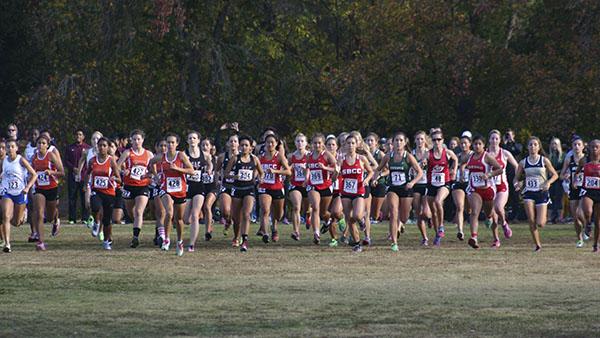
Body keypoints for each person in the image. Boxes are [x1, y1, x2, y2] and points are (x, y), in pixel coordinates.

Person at [375, 132, 422, 251]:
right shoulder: (388, 156)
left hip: (406, 188)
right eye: (396, 140)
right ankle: (394, 242)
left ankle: (401, 225)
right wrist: (376, 178)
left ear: (405, 142)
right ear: (393, 142)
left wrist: (412, 183)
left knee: (404, 217)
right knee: (393, 212)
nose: (398, 143)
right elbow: (378, 169)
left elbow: (420, 172)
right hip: (393, 188)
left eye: (401, 140)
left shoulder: (408, 156)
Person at [149, 133, 195, 256]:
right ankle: (167, 239)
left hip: (180, 190)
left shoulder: (181, 155)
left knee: (179, 219)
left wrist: (178, 169)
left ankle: (179, 241)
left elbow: (192, 171)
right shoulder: (161, 157)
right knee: (169, 212)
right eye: (168, 143)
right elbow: (151, 162)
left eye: (172, 142)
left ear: (177, 144)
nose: (169, 145)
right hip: (166, 189)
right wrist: (156, 176)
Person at [513, 137, 559, 251]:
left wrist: (548, 182)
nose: (532, 147)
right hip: (528, 192)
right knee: (531, 219)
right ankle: (537, 245)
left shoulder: (544, 161)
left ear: (539, 147)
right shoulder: (523, 162)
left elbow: (555, 175)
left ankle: (544, 217)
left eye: (535, 144)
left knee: (540, 223)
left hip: (541, 192)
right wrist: (517, 184)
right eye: (530, 145)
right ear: (527, 147)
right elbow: (516, 178)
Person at [224, 135, 264, 252]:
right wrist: (234, 176)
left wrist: (260, 180)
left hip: (249, 189)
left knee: (246, 214)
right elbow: (226, 174)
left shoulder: (255, 159)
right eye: (242, 145)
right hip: (237, 189)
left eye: (246, 145)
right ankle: (236, 236)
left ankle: (245, 240)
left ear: (251, 147)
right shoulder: (235, 159)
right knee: (236, 218)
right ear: (239, 146)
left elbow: (261, 173)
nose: (244, 147)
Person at [463, 135, 503, 249]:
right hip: (474, 189)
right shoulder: (468, 157)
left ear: (484, 145)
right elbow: (461, 163)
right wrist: (461, 172)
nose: (477, 146)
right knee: (475, 212)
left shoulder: (488, 157)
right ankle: (474, 237)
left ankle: (490, 219)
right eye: (475, 144)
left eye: (479, 144)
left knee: (489, 213)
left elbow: (499, 169)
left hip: (488, 190)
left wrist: (489, 174)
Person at [83, 137, 122, 250]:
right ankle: (96, 222)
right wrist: (85, 185)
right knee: (95, 207)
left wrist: (115, 178)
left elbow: (119, 179)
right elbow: (87, 173)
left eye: (104, 145)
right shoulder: (92, 161)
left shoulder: (111, 161)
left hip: (109, 192)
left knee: (107, 219)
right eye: (100, 145)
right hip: (96, 190)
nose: (102, 148)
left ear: (108, 147)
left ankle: (106, 240)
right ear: (97, 147)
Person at [117, 129, 153, 248]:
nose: (137, 141)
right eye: (134, 139)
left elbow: (155, 171)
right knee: (131, 212)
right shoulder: (127, 153)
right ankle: (136, 226)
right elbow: (116, 167)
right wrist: (123, 171)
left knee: (138, 211)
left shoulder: (148, 154)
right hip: (129, 186)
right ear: (131, 140)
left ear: (143, 140)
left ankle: (135, 237)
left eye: (139, 139)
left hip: (143, 186)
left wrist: (148, 175)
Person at [0, 139, 37, 252]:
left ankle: (23, 214)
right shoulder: (4, 161)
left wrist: (27, 187)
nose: (10, 149)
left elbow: (34, 174)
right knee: (5, 216)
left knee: (16, 222)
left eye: (12, 146)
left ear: (16, 148)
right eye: (8, 147)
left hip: (20, 193)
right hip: (7, 192)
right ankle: (7, 244)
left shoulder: (21, 160)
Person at [339, 134, 373, 252]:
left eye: (353, 143)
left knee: (357, 215)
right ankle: (357, 243)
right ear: (344, 145)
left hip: (358, 190)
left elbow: (371, 172)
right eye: (348, 143)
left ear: (357, 145)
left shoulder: (361, 158)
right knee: (350, 219)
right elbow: (336, 175)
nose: (350, 145)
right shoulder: (341, 159)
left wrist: (366, 180)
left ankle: (362, 220)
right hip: (346, 191)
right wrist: (335, 173)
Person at [30, 134, 65, 250]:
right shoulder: (34, 157)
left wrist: (51, 172)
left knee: (49, 217)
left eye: (43, 143)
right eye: (39, 143)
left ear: (47, 145)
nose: (41, 145)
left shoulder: (51, 156)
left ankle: (55, 220)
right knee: (39, 213)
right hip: (39, 189)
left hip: (52, 188)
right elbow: (31, 172)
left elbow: (62, 172)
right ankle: (40, 242)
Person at [426, 129, 458, 246]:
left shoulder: (447, 153)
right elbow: (422, 162)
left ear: (442, 140)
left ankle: (441, 226)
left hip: (444, 183)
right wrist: (423, 164)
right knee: (433, 212)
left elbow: (455, 159)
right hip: (431, 184)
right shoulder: (428, 153)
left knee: (438, 201)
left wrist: (453, 170)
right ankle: (437, 234)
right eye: (434, 140)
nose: (437, 142)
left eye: (439, 139)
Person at [257, 134, 291, 243]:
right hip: (264, 187)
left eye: (272, 142)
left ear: (276, 144)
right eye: (268, 142)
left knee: (278, 215)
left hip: (277, 187)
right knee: (265, 209)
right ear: (265, 144)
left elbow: (288, 171)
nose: (270, 144)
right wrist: (258, 178)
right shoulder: (260, 157)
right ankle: (265, 233)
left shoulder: (279, 156)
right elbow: (255, 171)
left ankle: (274, 229)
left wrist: (275, 171)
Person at [304, 133, 337, 245]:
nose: (317, 145)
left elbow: (335, 168)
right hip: (313, 185)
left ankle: (328, 220)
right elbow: (308, 168)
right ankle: (316, 233)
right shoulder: (309, 156)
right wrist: (306, 178)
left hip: (326, 186)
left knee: (324, 212)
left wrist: (325, 167)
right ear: (311, 144)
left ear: (323, 144)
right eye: (315, 143)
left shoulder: (327, 155)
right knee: (315, 207)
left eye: (319, 143)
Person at [487, 130, 519, 240]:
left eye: (496, 138)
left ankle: (504, 224)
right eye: (492, 138)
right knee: (493, 217)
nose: (494, 141)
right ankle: (496, 239)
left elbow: (517, 166)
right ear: (489, 140)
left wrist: (517, 179)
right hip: (489, 187)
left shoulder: (504, 153)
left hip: (502, 186)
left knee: (498, 207)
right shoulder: (485, 154)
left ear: (500, 140)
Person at [182, 131, 209, 251]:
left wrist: (209, 170)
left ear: (198, 140)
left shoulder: (205, 154)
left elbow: (210, 164)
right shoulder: (183, 154)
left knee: (194, 215)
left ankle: (191, 244)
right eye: (190, 138)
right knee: (186, 219)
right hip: (186, 187)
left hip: (199, 187)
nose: (192, 140)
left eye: (194, 138)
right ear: (187, 141)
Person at [561, 137, 587, 247]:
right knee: (575, 216)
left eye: (578, 144)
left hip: (585, 189)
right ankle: (580, 239)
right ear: (572, 147)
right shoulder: (569, 159)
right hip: (573, 189)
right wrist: (566, 176)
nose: (576, 146)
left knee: (579, 212)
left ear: (583, 146)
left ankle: (588, 228)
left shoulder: (587, 159)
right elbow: (561, 175)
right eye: (574, 144)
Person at [215, 134, 240, 246]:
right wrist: (217, 181)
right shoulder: (222, 156)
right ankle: (228, 220)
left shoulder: (243, 157)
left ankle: (236, 238)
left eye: (235, 141)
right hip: (226, 186)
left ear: (238, 144)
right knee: (225, 210)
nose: (233, 143)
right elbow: (217, 170)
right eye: (231, 141)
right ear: (228, 143)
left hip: (239, 187)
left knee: (237, 215)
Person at [578, 139, 600, 252]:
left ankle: (595, 245)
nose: (594, 149)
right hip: (588, 191)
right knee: (588, 211)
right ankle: (587, 224)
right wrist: (574, 180)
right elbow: (577, 172)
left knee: (598, 222)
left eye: (597, 147)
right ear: (589, 148)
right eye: (592, 147)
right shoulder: (584, 160)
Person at [411, 131, 433, 246]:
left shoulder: (429, 153)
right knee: (418, 213)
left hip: (426, 184)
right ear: (415, 140)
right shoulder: (411, 154)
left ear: (425, 141)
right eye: (418, 139)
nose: (420, 141)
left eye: (422, 139)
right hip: (415, 184)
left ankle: (430, 218)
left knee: (425, 213)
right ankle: (424, 237)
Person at [65, 129, 90, 224]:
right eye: (76, 134)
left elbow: (88, 163)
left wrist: (82, 171)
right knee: (72, 197)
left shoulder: (87, 148)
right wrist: (73, 168)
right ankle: (72, 218)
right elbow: (66, 161)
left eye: (80, 134)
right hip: (73, 176)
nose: (78, 136)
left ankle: (85, 218)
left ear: (83, 136)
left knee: (84, 197)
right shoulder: (70, 148)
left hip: (84, 176)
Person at [288, 133, 309, 241]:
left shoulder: (310, 155)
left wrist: (306, 170)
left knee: (307, 209)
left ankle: (308, 216)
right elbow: (286, 170)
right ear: (295, 143)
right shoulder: (291, 156)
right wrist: (290, 168)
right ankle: (296, 232)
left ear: (306, 143)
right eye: (297, 141)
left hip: (307, 185)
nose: (300, 143)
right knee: (296, 207)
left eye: (302, 141)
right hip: (295, 184)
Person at [451, 133, 472, 240]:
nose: (463, 145)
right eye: (462, 143)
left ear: (470, 144)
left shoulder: (474, 155)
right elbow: (452, 168)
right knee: (460, 206)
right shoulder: (457, 156)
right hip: (459, 183)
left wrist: (464, 167)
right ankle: (460, 231)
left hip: (470, 183)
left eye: (465, 143)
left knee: (469, 210)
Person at [365, 133, 386, 223]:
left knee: (375, 214)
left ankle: (379, 215)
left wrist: (378, 177)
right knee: (367, 209)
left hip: (379, 182)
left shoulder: (380, 154)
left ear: (376, 142)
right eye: (367, 140)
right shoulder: (363, 154)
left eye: (371, 140)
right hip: (366, 182)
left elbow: (388, 170)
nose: (369, 142)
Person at [502, 129, 523, 220]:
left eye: (509, 135)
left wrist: (512, 141)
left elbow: (518, 151)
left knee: (515, 194)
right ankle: (505, 215)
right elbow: (502, 151)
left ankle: (516, 215)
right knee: (506, 194)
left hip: (514, 172)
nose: (508, 136)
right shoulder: (503, 146)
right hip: (505, 173)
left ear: (514, 135)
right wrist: (504, 142)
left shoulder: (517, 145)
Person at [201, 138, 218, 243]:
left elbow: (220, 170)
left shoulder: (215, 159)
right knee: (205, 209)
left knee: (207, 206)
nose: (204, 147)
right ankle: (209, 226)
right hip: (201, 187)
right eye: (202, 145)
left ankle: (207, 232)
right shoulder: (198, 159)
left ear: (211, 147)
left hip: (213, 187)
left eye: (207, 145)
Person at [548, 137, 566, 223]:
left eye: (555, 143)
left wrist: (556, 172)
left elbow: (564, 167)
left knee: (559, 197)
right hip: (550, 179)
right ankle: (549, 217)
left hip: (560, 179)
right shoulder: (549, 156)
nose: (554, 145)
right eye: (552, 143)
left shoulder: (563, 155)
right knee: (550, 197)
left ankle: (560, 217)